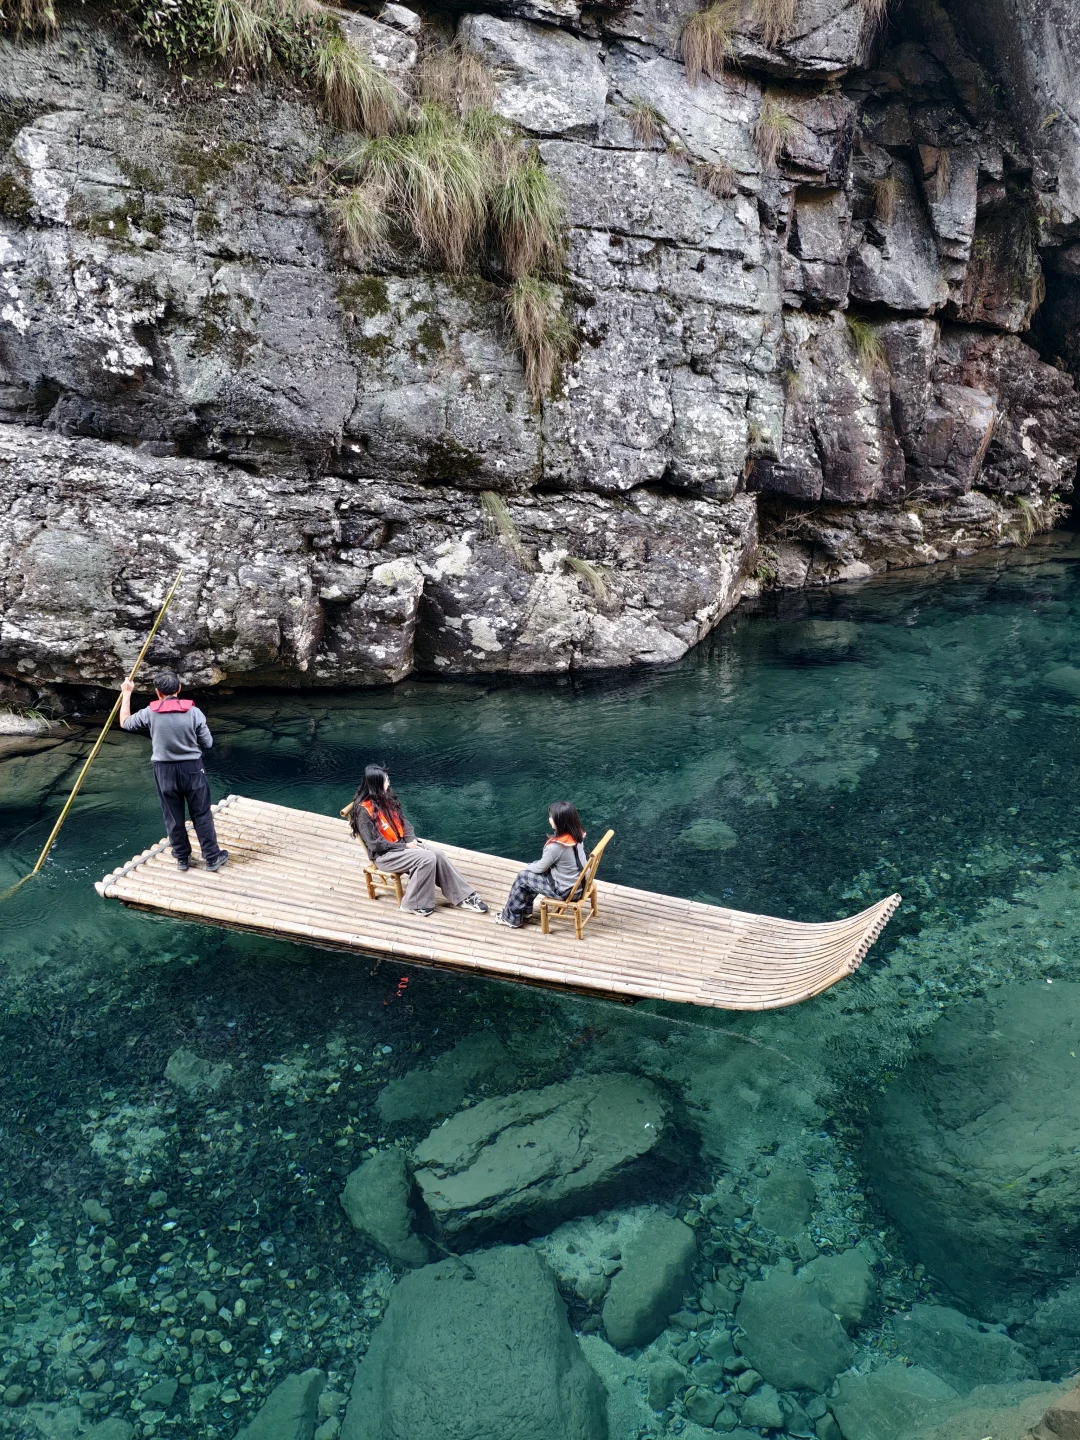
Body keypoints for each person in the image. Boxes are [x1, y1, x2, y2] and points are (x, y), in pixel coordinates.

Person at [119, 670, 228, 873]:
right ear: (179, 688)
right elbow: (208, 743)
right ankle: (212, 857)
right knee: (201, 813)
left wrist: (126, 693)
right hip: (192, 769)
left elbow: (125, 722)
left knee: (172, 815)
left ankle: (182, 858)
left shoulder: (150, 712)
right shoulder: (194, 712)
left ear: (157, 692)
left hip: (164, 771)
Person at [348, 765, 487, 918]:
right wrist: (405, 846)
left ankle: (463, 897)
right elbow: (375, 845)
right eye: (385, 780)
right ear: (376, 785)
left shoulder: (385, 797)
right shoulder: (363, 812)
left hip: (402, 845)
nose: (388, 782)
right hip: (385, 856)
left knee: (437, 854)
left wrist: (411, 840)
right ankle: (412, 904)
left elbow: (404, 822)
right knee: (427, 858)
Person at [495, 801, 588, 929]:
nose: (549, 819)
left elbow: (540, 868)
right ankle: (525, 911)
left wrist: (529, 866)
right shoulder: (577, 835)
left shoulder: (555, 847)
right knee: (531, 877)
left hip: (565, 891)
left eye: (551, 817)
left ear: (559, 822)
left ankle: (511, 918)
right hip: (580, 884)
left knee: (523, 876)